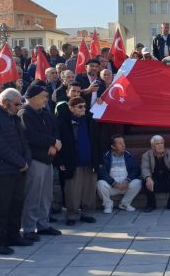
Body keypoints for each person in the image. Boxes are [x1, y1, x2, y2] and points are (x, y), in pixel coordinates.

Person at [0, 88, 32, 255]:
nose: (19, 106)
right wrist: (20, 162)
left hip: (17, 170)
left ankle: (13, 236)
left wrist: (26, 160)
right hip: (0, 170)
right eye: (17, 104)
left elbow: (23, 140)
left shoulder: (12, 116)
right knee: (0, 208)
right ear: (4, 102)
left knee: (16, 205)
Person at [18, 85, 62, 241]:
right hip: (35, 159)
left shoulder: (45, 113)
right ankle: (29, 228)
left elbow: (55, 130)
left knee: (46, 195)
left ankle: (43, 224)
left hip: (48, 159)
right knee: (33, 195)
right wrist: (52, 142)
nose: (46, 99)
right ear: (32, 98)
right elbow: (30, 136)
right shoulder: (24, 113)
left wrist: (54, 144)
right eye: (43, 96)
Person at [57, 97, 99, 226]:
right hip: (72, 162)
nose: (83, 109)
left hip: (89, 161)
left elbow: (97, 142)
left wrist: (98, 160)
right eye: (80, 107)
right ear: (71, 108)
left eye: (84, 106)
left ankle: (87, 214)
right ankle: (72, 215)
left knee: (89, 190)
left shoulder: (90, 121)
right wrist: (60, 161)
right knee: (72, 191)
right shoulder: (63, 123)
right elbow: (59, 144)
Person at [97, 135, 142, 213]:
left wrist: (127, 181)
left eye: (123, 142)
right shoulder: (105, 156)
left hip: (126, 185)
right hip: (111, 186)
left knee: (138, 182)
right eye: (120, 143)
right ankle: (108, 205)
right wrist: (114, 183)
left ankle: (124, 204)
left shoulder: (128, 155)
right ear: (113, 146)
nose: (123, 145)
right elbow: (102, 173)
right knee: (100, 184)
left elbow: (136, 170)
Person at [141, 135, 170, 212]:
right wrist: (148, 178)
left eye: (162, 143)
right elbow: (145, 168)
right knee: (145, 181)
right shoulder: (146, 155)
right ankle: (151, 205)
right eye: (157, 144)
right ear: (152, 146)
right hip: (154, 179)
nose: (160, 145)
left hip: (167, 178)